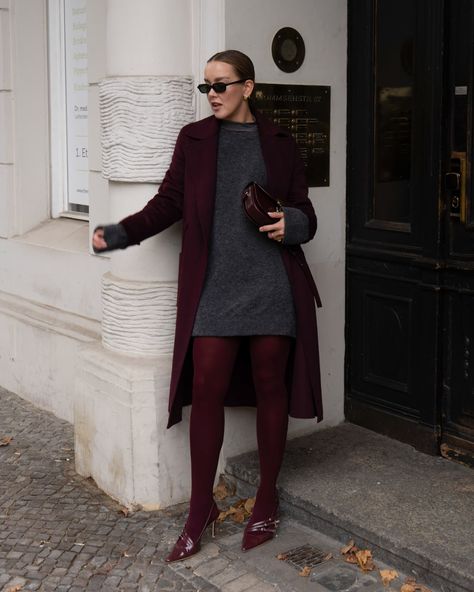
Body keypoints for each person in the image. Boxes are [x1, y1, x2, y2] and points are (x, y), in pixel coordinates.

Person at [92, 50, 323, 562]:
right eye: (206, 87)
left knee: (271, 386)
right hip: (214, 287)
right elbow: (169, 203)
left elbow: (305, 210)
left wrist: (294, 225)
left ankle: (266, 495)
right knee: (206, 387)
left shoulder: (281, 143)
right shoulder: (195, 141)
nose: (212, 94)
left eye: (221, 85)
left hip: (271, 286)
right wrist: (121, 232)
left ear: (249, 88)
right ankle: (201, 507)